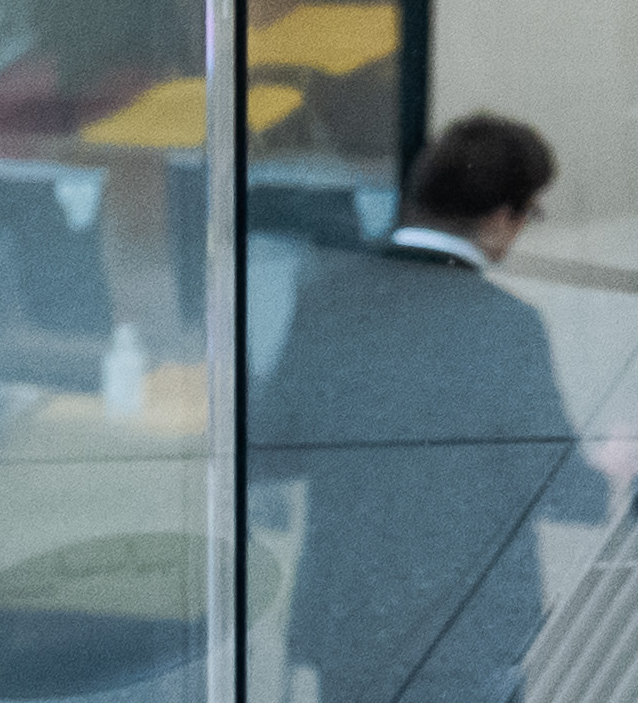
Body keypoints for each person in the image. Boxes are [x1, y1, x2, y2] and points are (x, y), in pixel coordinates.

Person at [256, 111, 608, 697]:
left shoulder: (326, 302)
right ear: (503, 217)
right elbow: (558, 489)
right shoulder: (507, 326)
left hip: (350, 632)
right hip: (465, 641)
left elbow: (269, 449)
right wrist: (611, 467)